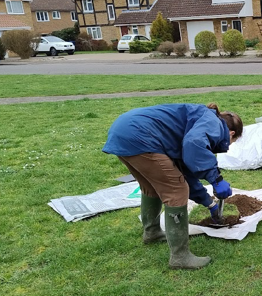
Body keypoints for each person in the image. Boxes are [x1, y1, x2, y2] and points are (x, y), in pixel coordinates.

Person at [102, 103, 243, 270]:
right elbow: (194, 143)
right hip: (141, 136)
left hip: (123, 131)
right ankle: (180, 257)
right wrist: (216, 179)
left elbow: (185, 171)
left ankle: (152, 232)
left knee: (153, 186)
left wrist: (209, 203)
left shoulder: (201, 119)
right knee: (177, 190)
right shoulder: (215, 124)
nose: (227, 145)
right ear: (231, 133)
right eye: (232, 142)